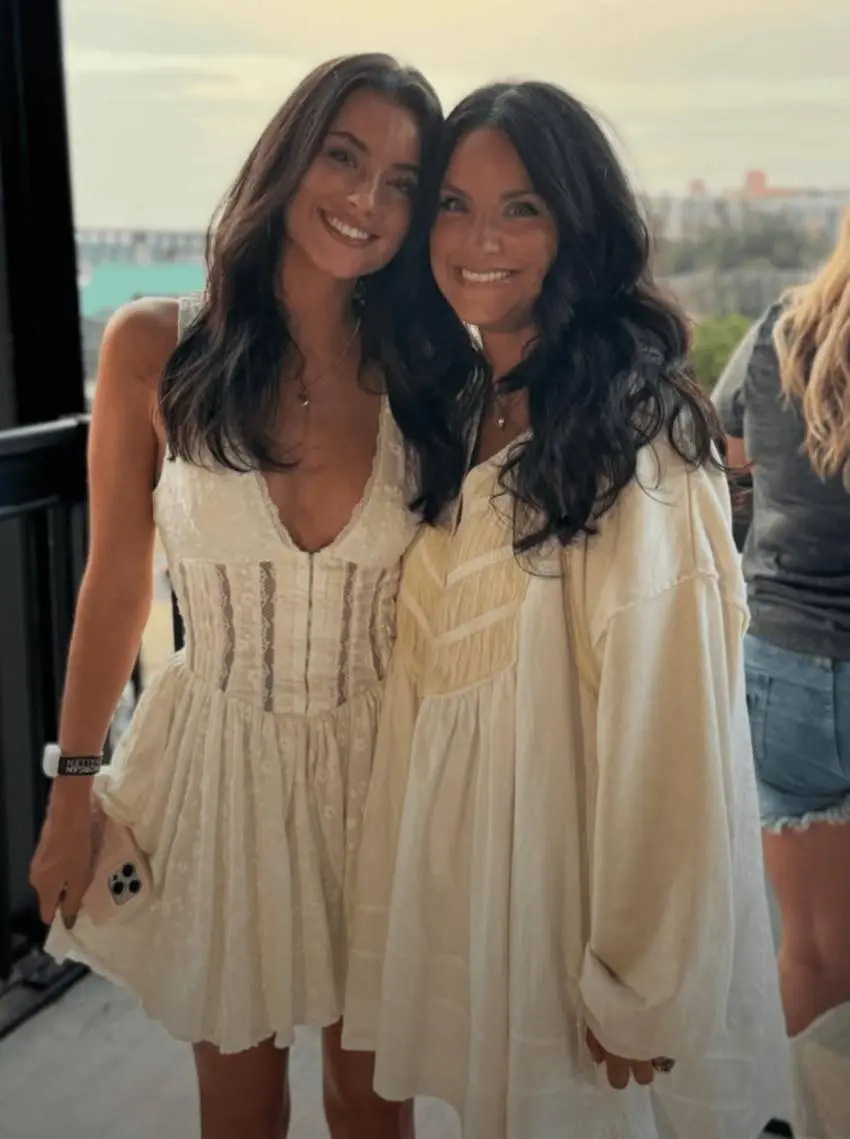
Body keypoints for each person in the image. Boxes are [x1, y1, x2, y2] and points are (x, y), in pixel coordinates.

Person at [342, 81, 789, 1139]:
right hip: (495, 909)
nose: (481, 240)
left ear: (577, 224)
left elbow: (671, 730)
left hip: (581, 918)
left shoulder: (635, 439)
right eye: (454, 205)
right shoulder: (465, 405)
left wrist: (641, 977)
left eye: (522, 208)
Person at [28, 53, 442, 1139]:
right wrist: (71, 792)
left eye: (402, 181)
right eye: (344, 156)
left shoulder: (427, 367)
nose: (366, 199)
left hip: (383, 772)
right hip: (217, 764)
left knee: (373, 1103)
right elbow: (116, 581)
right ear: (288, 156)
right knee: (241, 1107)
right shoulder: (154, 346)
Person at [713, 214, 850, 1136]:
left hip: (787, 670)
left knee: (811, 951)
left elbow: (730, 453)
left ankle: (799, 1118)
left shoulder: (778, 331)